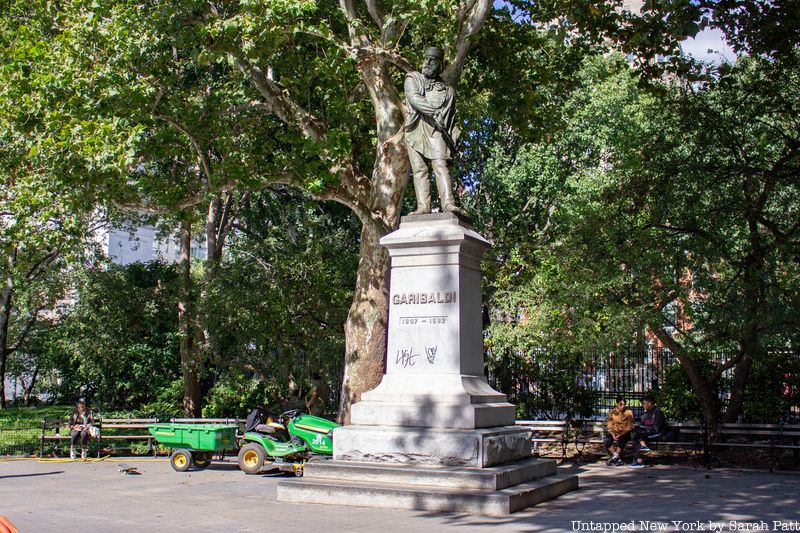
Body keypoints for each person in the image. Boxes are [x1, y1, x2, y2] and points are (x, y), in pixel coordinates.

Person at [404, 46, 462, 215]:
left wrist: (456, 139)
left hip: (436, 131)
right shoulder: (412, 78)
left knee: (440, 164)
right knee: (419, 170)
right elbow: (414, 98)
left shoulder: (448, 91)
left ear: (440, 65)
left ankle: (448, 204)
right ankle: (423, 207)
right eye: (425, 59)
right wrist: (434, 112)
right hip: (415, 128)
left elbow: (452, 118)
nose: (427, 63)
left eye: (432, 60)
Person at [629, 393, 667, 468]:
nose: (643, 405)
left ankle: (640, 460)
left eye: (644, 403)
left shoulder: (658, 412)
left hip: (656, 434)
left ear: (649, 403)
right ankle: (642, 453)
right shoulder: (645, 414)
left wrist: (645, 430)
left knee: (637, 436)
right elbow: (642, 425)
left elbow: (657, 428)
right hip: (646, 434)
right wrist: (641, 428)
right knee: (636, 433)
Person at [604, 396, 634, 466]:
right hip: (614, 433)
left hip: (625, 433)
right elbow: (609, 425)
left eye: (624, 405)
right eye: (621, 405)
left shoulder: (628, 412)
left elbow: (630, 426)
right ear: (617, 404)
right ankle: (616, 457)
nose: (622, 406)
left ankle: (615, 457)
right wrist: (612, 434)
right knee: (606, 439)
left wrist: (621, 433)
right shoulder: (612, 412)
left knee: (622, 438)